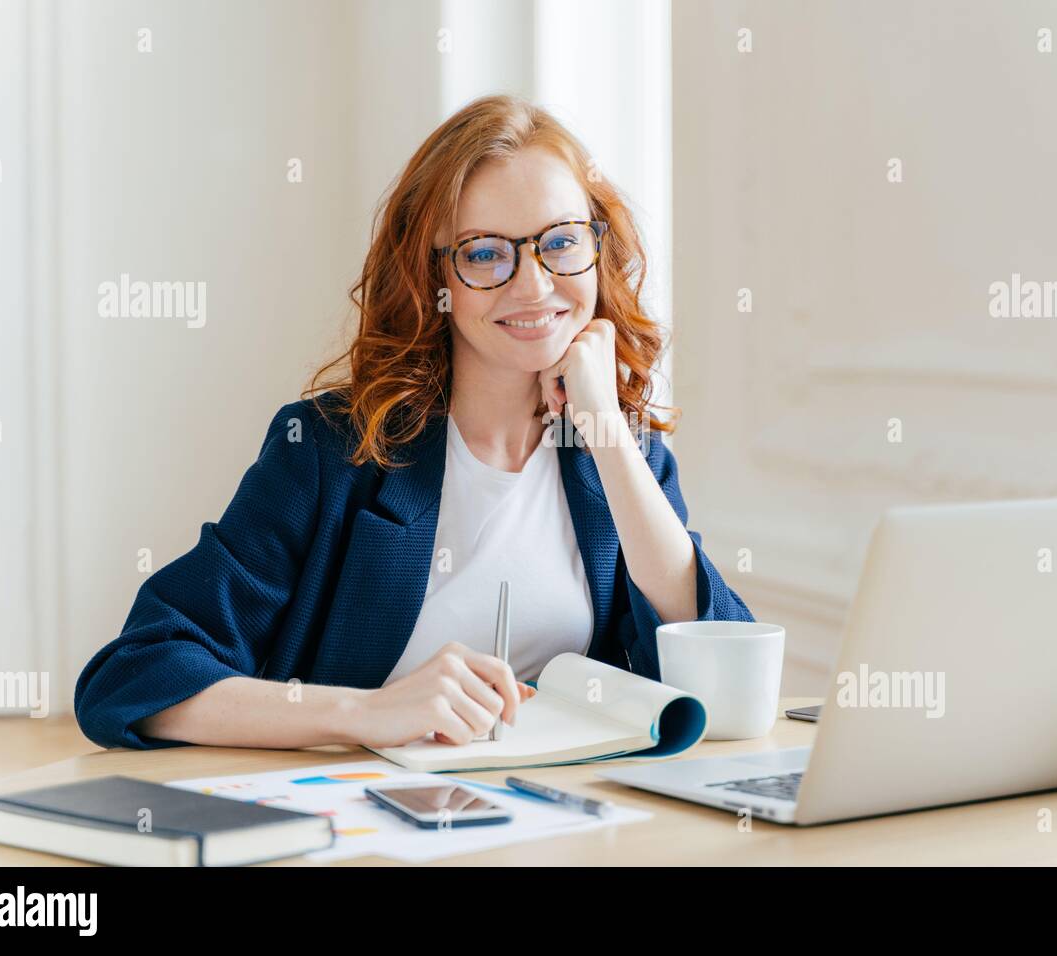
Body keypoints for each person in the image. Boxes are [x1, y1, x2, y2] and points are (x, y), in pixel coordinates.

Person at [74, 94, 754, 751]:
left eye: (560, 242)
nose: (534, 284)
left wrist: (604, 427)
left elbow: (716, 664)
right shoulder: (328, 452)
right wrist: (364, 712)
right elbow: (133, 678)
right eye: (485, 253)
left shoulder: (621, 456)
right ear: (431, 279)